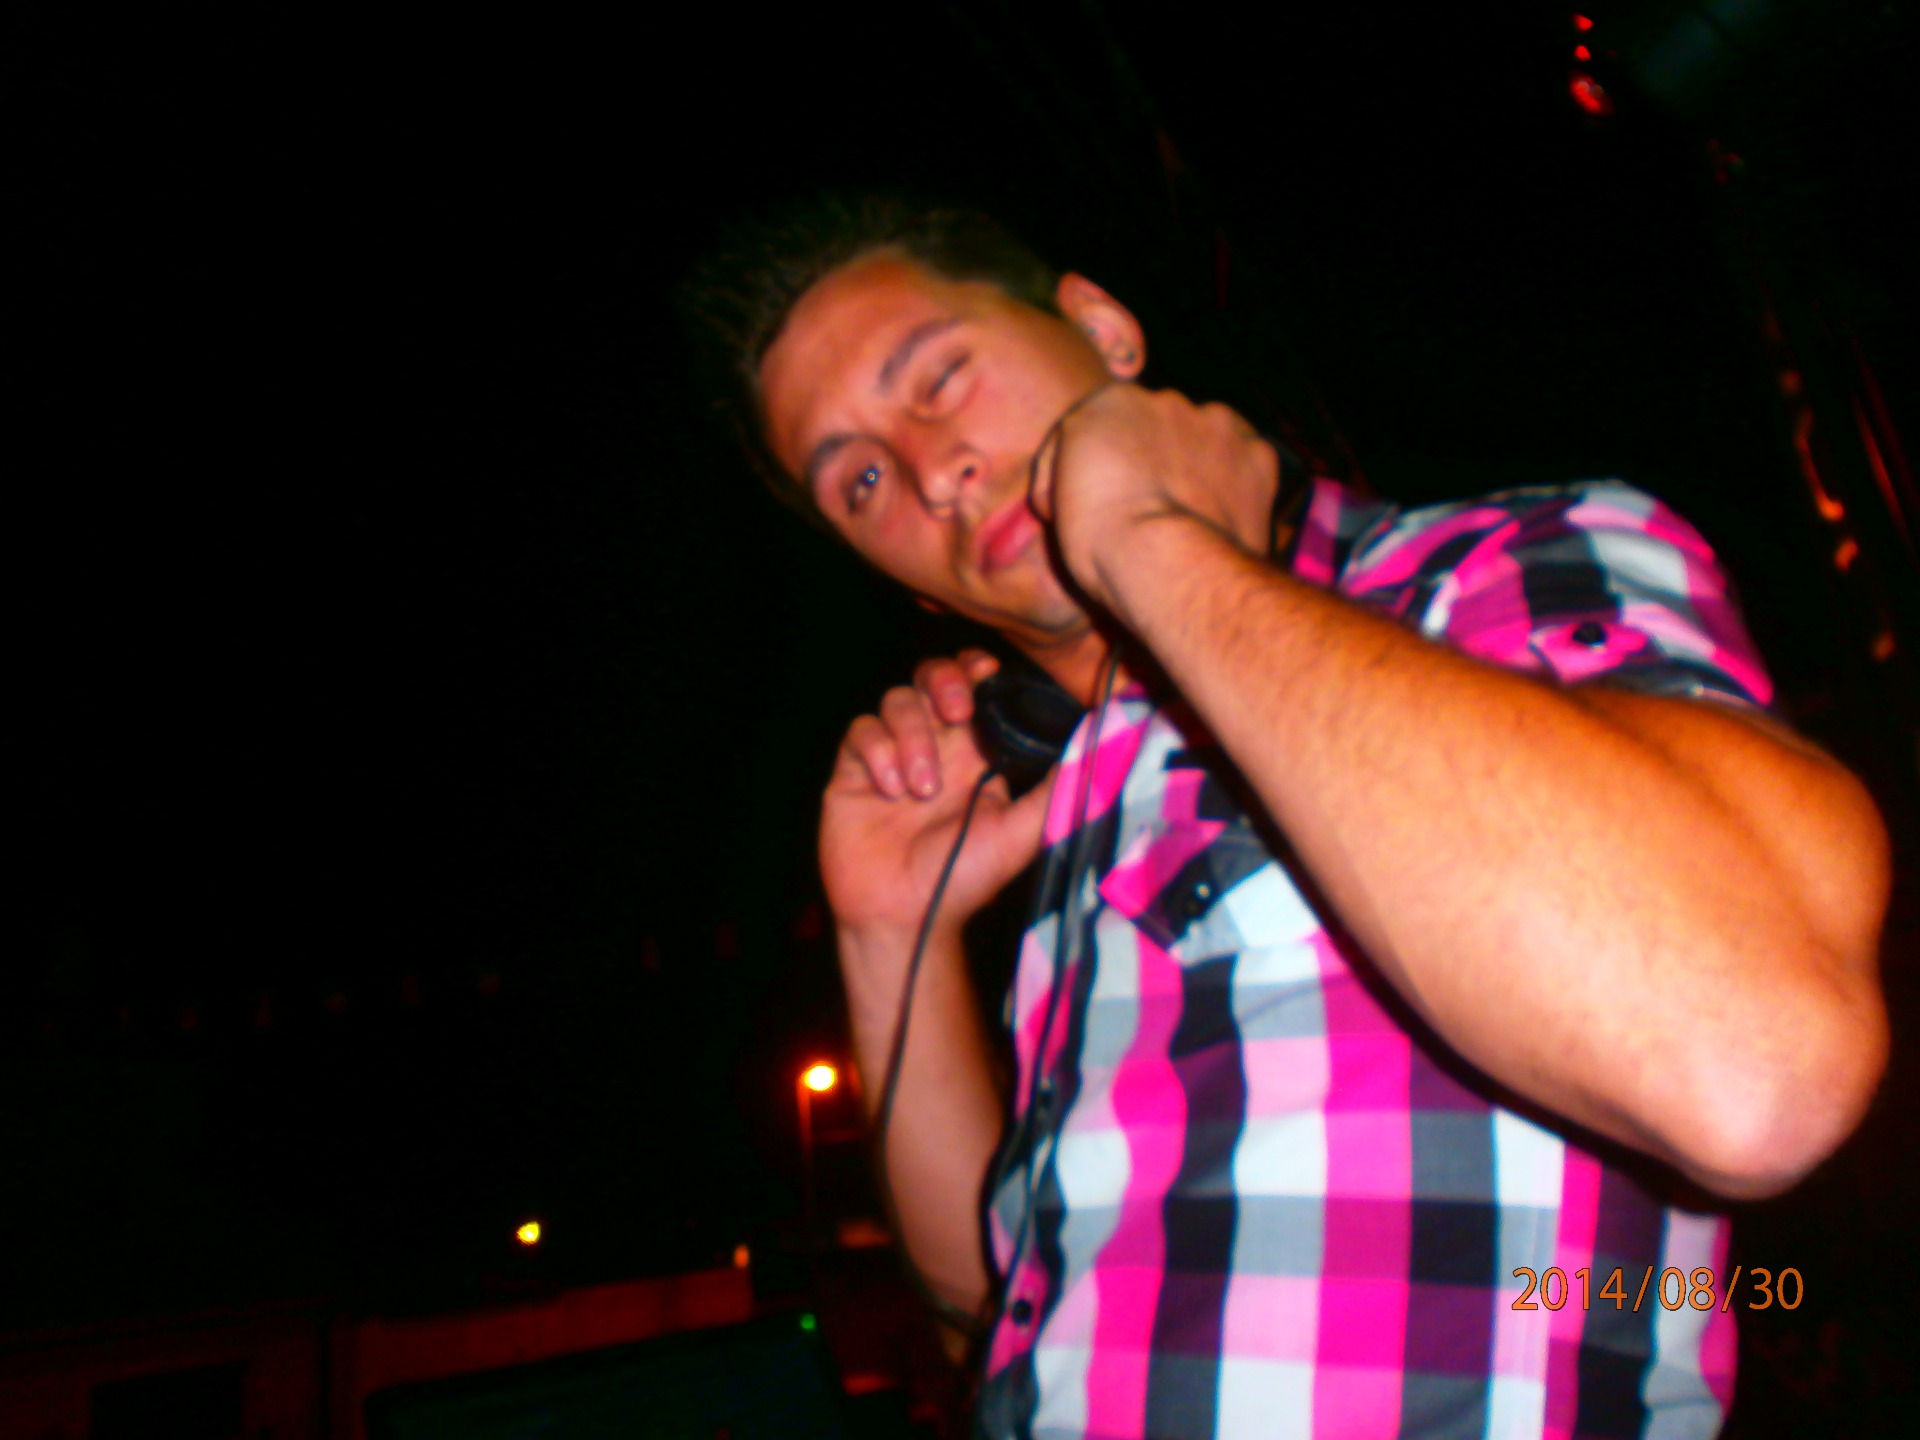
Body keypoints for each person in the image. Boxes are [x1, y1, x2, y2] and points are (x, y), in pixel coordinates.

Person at [688, 198, 1890, 1439]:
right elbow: (995, 1325)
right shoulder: (1069, 819)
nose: (934, 474)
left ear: (1101, 329)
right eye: (863, 480)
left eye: (941, 376)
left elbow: (1755, 1069)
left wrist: (1148, 539)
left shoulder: (1482, 576)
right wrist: (892, 938)